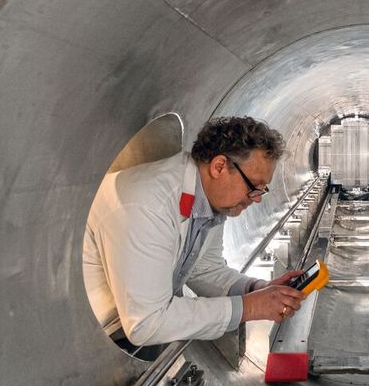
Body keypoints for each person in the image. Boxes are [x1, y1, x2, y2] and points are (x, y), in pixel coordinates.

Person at [83, 116, 305, 358]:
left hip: (129, 334)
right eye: (254, 186)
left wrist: (258, 288)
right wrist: (249, 307)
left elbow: (203, 269)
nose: (258, 198)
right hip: (96, 337)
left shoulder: (212, 203)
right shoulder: (147, 204)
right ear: (219, 167)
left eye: (262, 190)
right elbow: (146, 323)